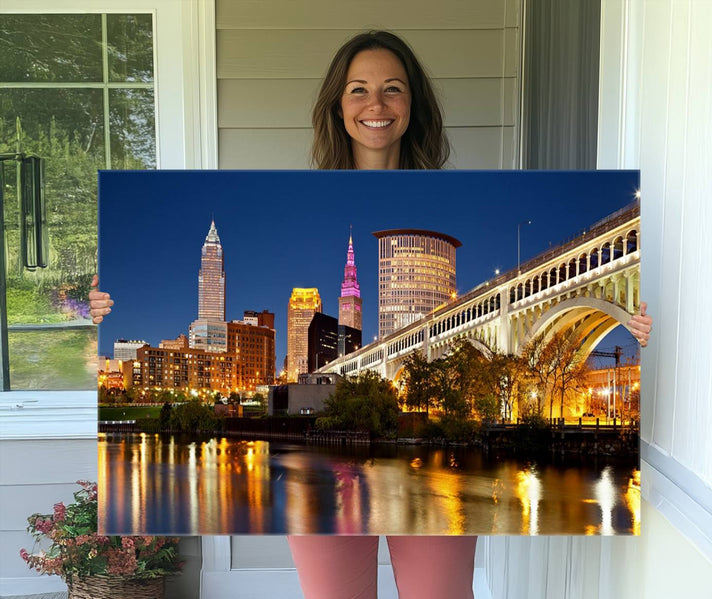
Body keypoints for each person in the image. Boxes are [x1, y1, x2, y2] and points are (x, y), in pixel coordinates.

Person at [90, 30, 653, 599]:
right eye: (359, 90)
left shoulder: (456, 189)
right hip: (349, 478)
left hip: (426, 487)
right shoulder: (298, 190)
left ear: (413, 106)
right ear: (338, 105)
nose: (376, 105)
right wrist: (95, 313)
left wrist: (646, 326)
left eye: (393, 89)